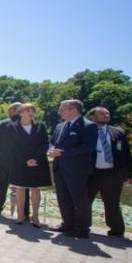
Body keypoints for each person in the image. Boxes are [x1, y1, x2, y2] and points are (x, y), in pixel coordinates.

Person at [48, 99, 98, 239]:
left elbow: (88, 147)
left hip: (77, 170)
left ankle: (82, 229)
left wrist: (62, 153)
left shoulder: (88, 126)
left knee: (80, 200)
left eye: (62, 109)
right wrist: (52, 150)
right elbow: (52, 143)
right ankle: (67, 224)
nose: (59, 112)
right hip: (59, 168)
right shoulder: (59, 126)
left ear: (74, 110)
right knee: (63, 198)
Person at [87, 107, 132, 238]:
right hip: (92, 173)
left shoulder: (118, 132)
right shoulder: (86, 131)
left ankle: (116, 231)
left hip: (113, 174)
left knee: (112, 203)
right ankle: (83, 226)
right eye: (101, 113)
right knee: (85, 201)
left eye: (107, 113)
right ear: (92, 116)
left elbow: (126, 154)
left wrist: (131, 174)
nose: (106, 115)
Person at [7, 104, 51, 227]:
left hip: (37, 162)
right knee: (20, 188)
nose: (31, 112)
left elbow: (44, 144)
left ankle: (35, 216)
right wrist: (25, 160)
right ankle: (21, 215)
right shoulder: (12, 127)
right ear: (20, 113)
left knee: (35, 189)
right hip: (20, 162)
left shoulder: (40, 126)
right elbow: (13, 147)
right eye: (28, 110)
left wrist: (35, 158)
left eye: (32, 110)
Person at [0, 102, 29, 217]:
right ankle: (24, 213)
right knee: (23, 187)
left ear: (12, 110)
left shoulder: (1, 124)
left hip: (4, 160)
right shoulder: (28, 123)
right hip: (23, 162)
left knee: (1, 185)